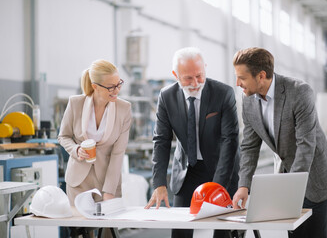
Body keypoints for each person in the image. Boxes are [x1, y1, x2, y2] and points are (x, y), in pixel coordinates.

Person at [232, 47, 327, 238]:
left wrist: (290, 190)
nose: (238, 83)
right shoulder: (248, 100)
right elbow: (249, 147)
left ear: (261, 76)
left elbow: (306, 145)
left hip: (315, 174)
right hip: (287, 170)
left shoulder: (299, 92)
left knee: (314, 233)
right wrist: (243, 185)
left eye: (242, 77)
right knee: (294, 232)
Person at [145, 47, 240, 238]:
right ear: (175, 75)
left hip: (221, 169)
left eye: (199, 75)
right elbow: (161, 141)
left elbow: (230, 140)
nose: (195, 83)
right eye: (188, 78)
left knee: (223, 232)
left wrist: (218, 187)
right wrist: (159, 183)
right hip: (187, 171)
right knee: (180, 229)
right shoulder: (167, 97)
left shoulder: (223, 93)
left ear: (205, 68)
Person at [58, 59, 132, 205]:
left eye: (119, 84)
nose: (117, 90)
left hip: (107, 181)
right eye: (111, 87)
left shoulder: (124, 109)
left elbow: (118, 153)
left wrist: (109, 190)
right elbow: (63, 136)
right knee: (79, 226)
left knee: (108, 227)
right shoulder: (75, 103)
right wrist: (75, 149)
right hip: (78, 181)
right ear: (95, 87)